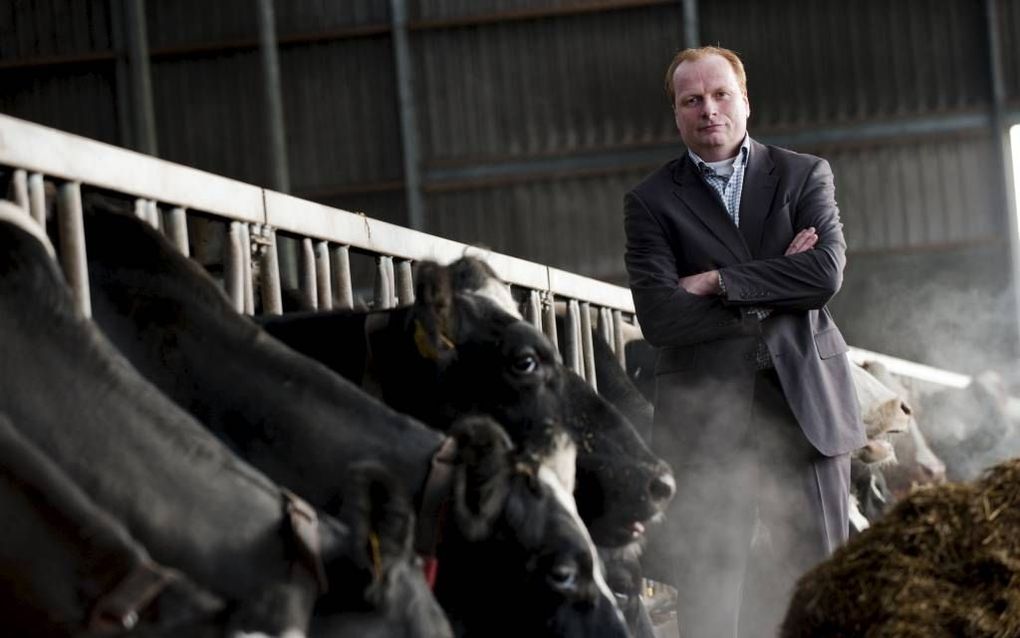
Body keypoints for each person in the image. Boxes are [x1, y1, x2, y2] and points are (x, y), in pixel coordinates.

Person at [623, 46, 865, 637]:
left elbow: (825, 274)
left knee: (820, 583)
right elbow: (661, 318)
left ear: (745, 101)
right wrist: (777, 282)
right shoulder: (650, 202)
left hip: (804, 404)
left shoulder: (804, 174)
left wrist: (716, 283)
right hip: (708, 421)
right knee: (712, 593)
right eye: (692, 100)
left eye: (720, 94)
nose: (709, 109)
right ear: (677, 115)